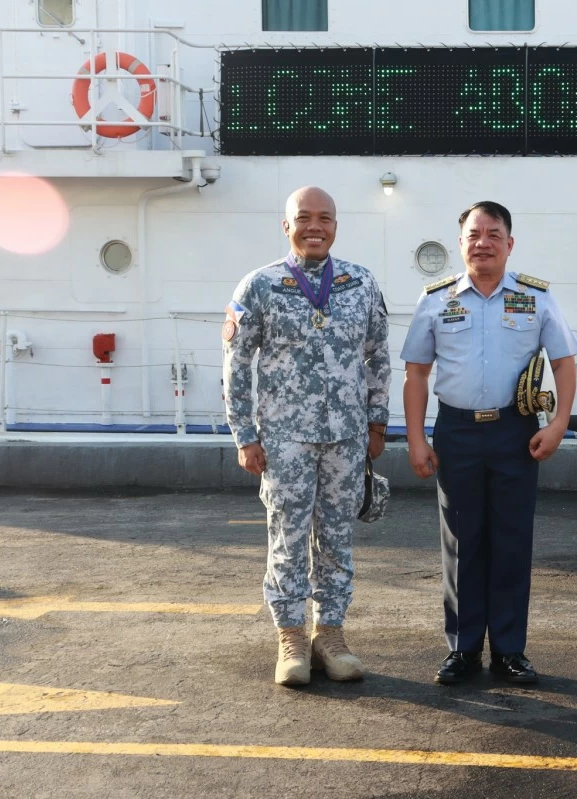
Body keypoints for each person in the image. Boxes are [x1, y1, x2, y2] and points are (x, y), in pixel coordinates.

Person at [401, 201, 577, 685]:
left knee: (511, 540)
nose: (483, 243)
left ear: (509, 243)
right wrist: (416, 439)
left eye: (493, 234)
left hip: (515, 431)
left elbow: (564, 362)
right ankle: (462, 649)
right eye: (474, 235)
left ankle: (508, 650)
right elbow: (417, 374)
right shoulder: (436, 299)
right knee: (461, 542)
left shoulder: (535, 298)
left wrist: (559, 423)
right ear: (461, 244)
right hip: (457, 431)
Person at [223, 186, 390, 687]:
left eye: (325, 218)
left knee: (337, 539)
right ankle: (291, 638)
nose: (315, 226)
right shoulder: (260, 286)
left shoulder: (359, 282)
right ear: (286, 225)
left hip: (345, 437)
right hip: (284, 440)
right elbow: (236, 364)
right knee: (288, 539)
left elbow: (379, 355)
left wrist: (377, 422)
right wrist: (244, 435)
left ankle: (331, 636)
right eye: (304, 218)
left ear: (336, 226)